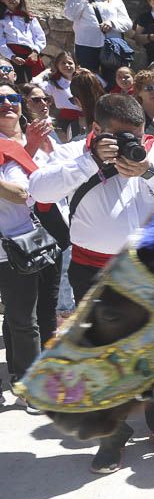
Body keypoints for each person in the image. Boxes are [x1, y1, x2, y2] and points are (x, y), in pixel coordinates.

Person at [28, 93, 154, 472]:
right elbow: (37, 190)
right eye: (120, 138)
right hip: (93, 270)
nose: (131, 145)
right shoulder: (76, 153)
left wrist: (150, 171)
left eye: (137, 135)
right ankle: (111, 435)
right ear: (96, 130)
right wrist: (89, 162)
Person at [0, 85, 54, 412]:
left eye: (13, 98)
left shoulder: (18, 149)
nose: (7, 104)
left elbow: (23, 193)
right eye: (0, 100)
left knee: (22, 319)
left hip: (16, 247)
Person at [62, 0, 132, 80]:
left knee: (112, 79)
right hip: (87, 45)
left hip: (111, 46)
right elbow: (71, 15)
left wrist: (112, 23)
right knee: (88, 80)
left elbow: (127, 23)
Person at [0, 0, 47, 85]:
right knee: (18, 84)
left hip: (31, 55)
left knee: (35, 84)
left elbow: (40, 36)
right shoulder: (2, 20)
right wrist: (11, 56)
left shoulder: (29, 17)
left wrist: (35, 52)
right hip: (14, 56)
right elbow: (1, 41)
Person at [31, 52, 79, 135]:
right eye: (63, 63)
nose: (67, 65)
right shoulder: (54, 84)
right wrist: (45, 72)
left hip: (86, 118)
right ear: (57, 66)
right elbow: (34, 84)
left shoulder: (82, 80)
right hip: (66, 121)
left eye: (70, 63)